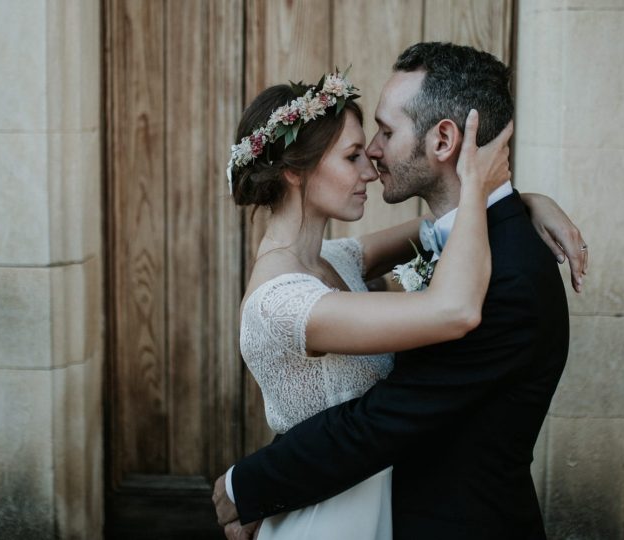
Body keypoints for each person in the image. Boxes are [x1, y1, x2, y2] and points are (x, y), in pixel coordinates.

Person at [216, 43, 582, 540]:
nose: (371, 157)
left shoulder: (501, 275)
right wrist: (489, 196)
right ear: (294, 172)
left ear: (444, 140)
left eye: (385, 132)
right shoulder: (281, 299)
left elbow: (433, 244)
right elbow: (380, 410)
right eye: (353, 153)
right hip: (334, 511)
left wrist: (524, 202)